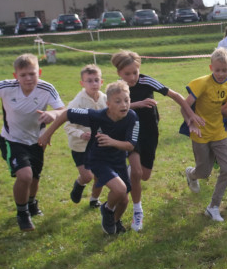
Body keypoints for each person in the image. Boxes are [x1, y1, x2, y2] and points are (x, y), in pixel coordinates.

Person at [0, 53, 65, 232]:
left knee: (35, 178)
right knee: (25, 176)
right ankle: (22, 213)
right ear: (16, 76)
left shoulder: (47, 89)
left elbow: (63, 111)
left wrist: (52, 115)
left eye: (32, 74)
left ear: (39, 72)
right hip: (12, 140)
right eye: (23, 75)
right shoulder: (7, 86)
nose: (28, 78)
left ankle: (31, 202)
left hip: (37, 140)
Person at [112, 50, 202, 232]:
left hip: (150, 132)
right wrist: (136, 104)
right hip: (129, 132)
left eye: (134, 72)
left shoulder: (146, 81)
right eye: (126, 74)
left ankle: (126, 175)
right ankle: (138, 211)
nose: (132, 77)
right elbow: (112, 109)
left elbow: (175, 95)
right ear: (119, 74)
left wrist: (191, 115)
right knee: (137, 173)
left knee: (144, 175)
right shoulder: (117, 89)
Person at [39, 81, 139, 235]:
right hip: (98, 159)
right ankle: (107, 210)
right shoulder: (97, 116)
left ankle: (115, 221)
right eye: (118, 101)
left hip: (118, 160)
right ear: (108, 104)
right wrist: (47, 134)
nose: (123, 104)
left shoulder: (132, 117)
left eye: (127, 100)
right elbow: (66, 113)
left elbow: (131, 145)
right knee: (120, 190)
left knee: (124, 200)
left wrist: (112, 142)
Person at [183, 47, 227, 222]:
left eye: (224, 70)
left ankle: (213, 207)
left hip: (218, 132)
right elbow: (184, 105)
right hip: (200, 133)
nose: (221, 74)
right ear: (211, 68)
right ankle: (191, 174)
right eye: (217, 70)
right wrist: (190, 121)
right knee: (204, 172)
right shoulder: (202, 83)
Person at [63, 64, 107, 208]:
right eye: (89, 81)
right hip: (80, 146)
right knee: (88, 176)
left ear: (102, 82)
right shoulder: (77, 103)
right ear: (82, 83)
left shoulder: (105, 99)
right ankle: (79, 183)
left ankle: (94, 199)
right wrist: (81, 134)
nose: (93, 84)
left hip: (99, 144)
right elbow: (67, 125)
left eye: (96, 80)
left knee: (100, 175)